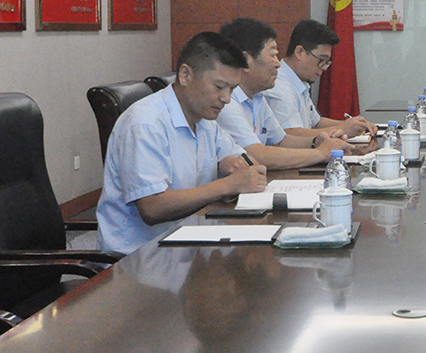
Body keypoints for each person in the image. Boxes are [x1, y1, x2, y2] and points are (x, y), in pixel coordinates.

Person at [96, 32, 268, 254]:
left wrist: (230, 163)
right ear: (186, 75)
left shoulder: (204, 119)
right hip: (139, 258)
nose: (226, 98)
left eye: (232, 89)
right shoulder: (146, 124)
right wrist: (228, 185)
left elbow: (236, 156)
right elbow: (152, 207)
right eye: (219, 87)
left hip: (187, 244)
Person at [217, 18, 356, 169]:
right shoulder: (226, 101)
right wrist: (320, 153)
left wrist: (316, 141)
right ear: (245, 60)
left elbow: (280, 141)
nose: (278, 63)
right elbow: (257, 154)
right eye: (272, 55)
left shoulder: (257, 97)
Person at [263, 19, 376, 139]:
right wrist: (342, 129)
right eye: (321, 60)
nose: (324, 68)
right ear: (299, 52)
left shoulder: (299, 82)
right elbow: (290, 134)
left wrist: (355, 125)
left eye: (327, 62)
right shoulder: (279, 86)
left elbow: (316, 123)